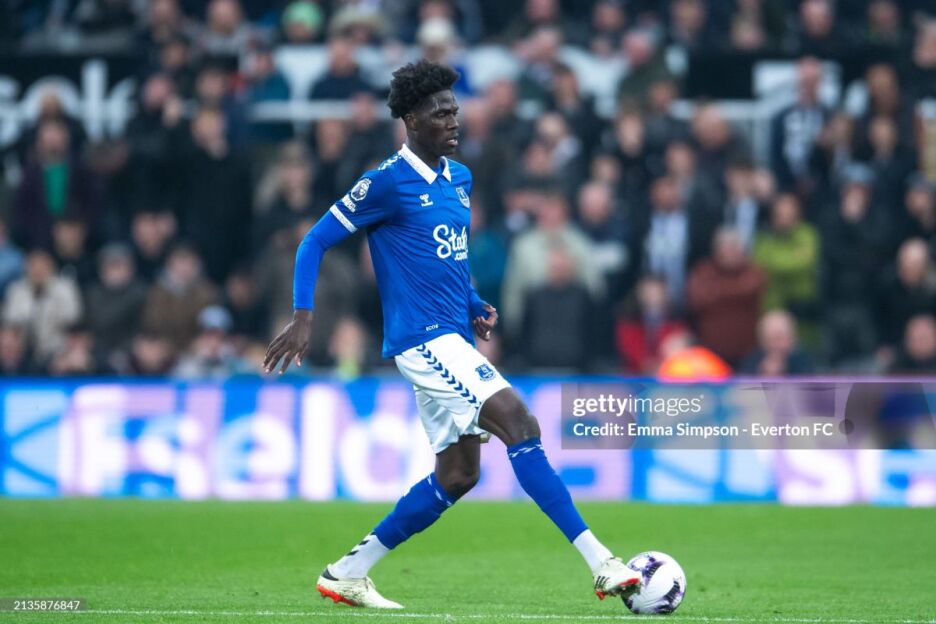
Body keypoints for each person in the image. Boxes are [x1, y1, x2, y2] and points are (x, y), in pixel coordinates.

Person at [263, 60, 639, 610]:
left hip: (453, 336)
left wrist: (472, 302)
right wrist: (303, 315)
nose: (453, 121)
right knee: (520, 422)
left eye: (455, 111)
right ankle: (601, 563)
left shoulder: (459, 180)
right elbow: (313, 241)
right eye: (441, 113)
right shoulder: (385, 182)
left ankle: (347, 572)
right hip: (422, 340)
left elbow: (448, 259)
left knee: (459, 474)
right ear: (412, 120)